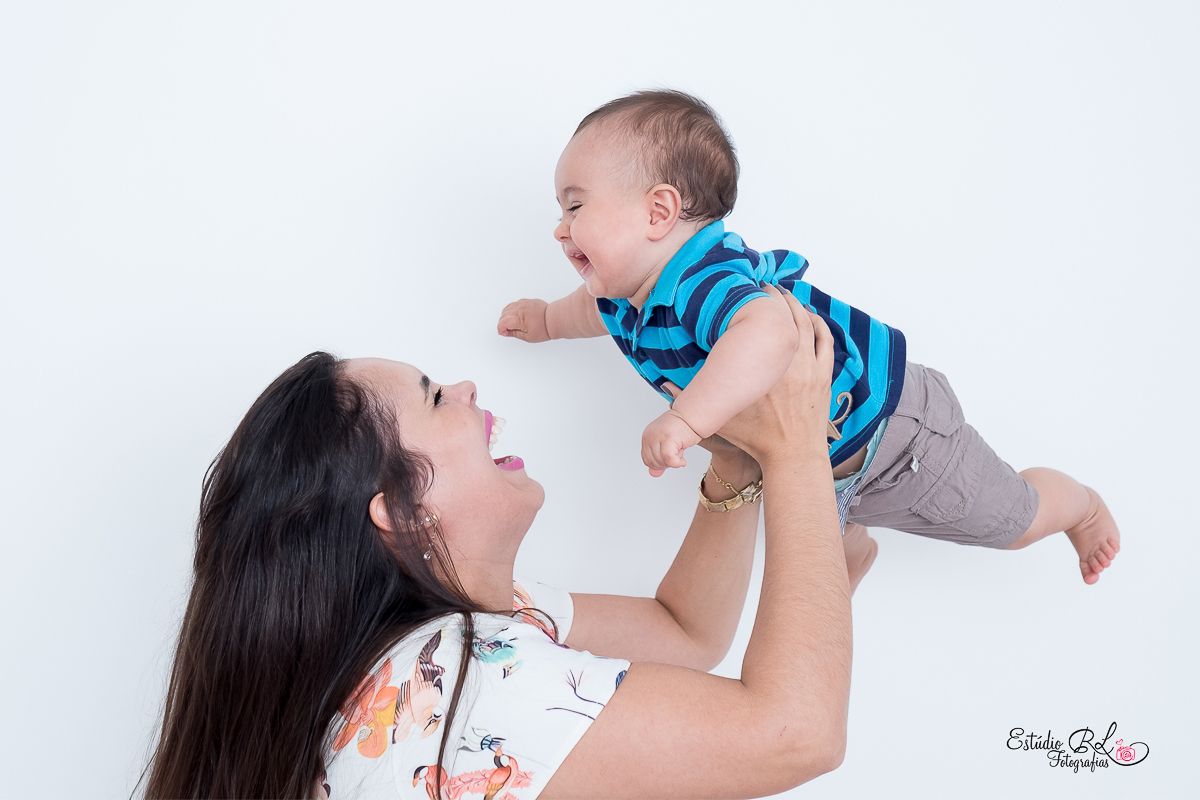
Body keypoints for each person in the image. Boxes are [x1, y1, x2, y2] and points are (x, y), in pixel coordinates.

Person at [143, 288, 854, 798]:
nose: (466, 387)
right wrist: (796, 448)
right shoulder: (473, 682)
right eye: (433, 397)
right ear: (398, 506)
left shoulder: (457, 640)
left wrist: (736, 462)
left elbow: (686, 630)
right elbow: (795, 735)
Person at [496, 89, 1120, 587]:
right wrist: (547, 321)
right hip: (820, 462)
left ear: (659, 212)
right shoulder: (624, 292)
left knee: (1009, 522)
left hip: (894, 437)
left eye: (574, 207)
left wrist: (686, 421)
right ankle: (851, 551)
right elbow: (590, 308)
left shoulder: (701, 279)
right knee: (810, 548)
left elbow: (765, 333)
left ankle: (1075, 506)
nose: (559, 229)